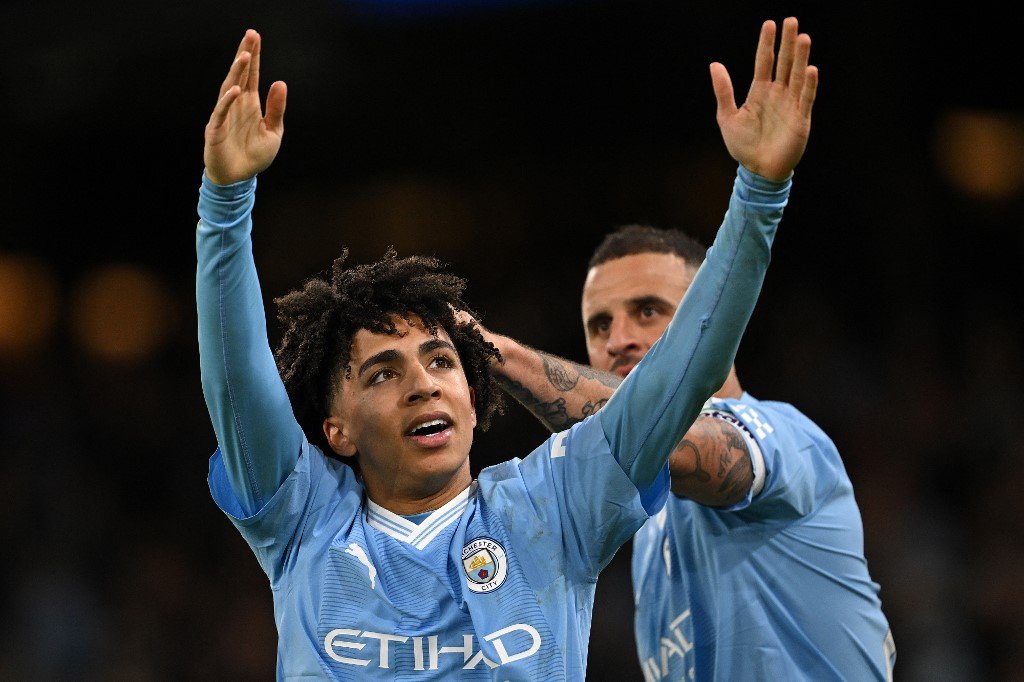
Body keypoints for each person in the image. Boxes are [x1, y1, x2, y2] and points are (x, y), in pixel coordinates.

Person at [195, 18, 815, 680]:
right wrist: (226, 205)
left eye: (440, 360)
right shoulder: (303, 518)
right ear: (336, 429)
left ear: (471, 391)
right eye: (382, 373)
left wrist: (759, 195)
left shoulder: (556, 505)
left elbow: (678, 379)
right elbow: (237, 381)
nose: (423, 383)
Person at [470, 18, 895, 681]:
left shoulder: (784, 441)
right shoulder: (647, 529)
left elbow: (658, 436)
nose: (620, 339)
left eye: (649, 311)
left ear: (712, 318)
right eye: (599, 324)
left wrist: (488, 350)